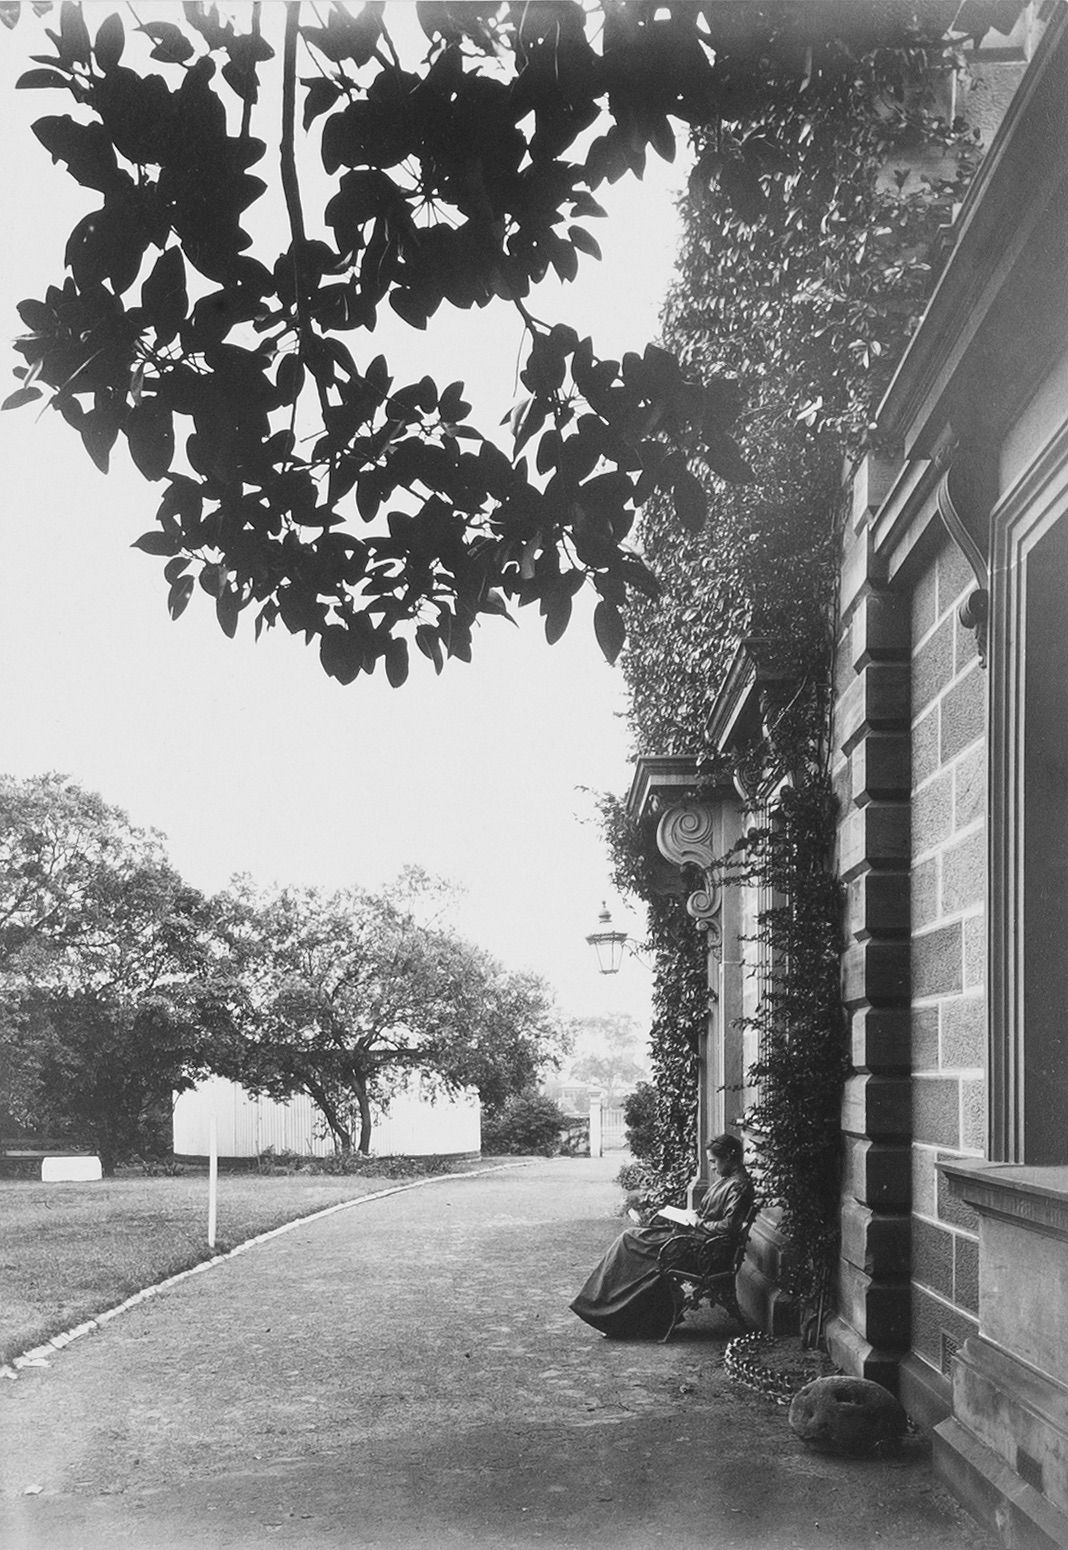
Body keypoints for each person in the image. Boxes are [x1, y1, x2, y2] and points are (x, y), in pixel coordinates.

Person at [570, 1132, 755, 1339]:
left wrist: (697, 1222)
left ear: (728, 1157)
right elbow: (714, 1216)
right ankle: (613, 1313)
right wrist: (690, 1216)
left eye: (714, 1161)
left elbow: (729, 1226)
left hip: (704, 1251)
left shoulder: (738, 1185)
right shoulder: (729, 1180)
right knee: (632, 1238)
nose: (712, 1167)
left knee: (629, 1241)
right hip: (695, 1241)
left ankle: (605, 1311)